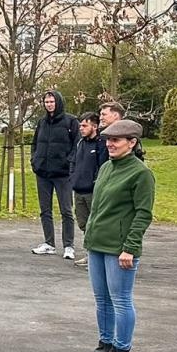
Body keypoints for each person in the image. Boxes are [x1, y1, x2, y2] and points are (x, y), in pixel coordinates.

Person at [75, 118, 155, 352]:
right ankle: (105, 345)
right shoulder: (107, 168)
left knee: (120, 299)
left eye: (116, 140)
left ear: (132, 143)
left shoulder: (141, 174)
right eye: (108, 139)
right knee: (102, 300)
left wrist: (130, 247)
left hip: (119, 247)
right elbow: (98, 208)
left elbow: (143, 214)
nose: (110, 144)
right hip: (97, 244)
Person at [31, 89, 78, 259]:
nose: (49, 105)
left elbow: (76, 145)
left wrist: (69, 163)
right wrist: (34, 160)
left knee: (66, 210)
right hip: (43, 172)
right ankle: (49, 243)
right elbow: (35, 143)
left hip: (62, 174)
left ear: (58, 102)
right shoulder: (42, 122)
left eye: (52, 101)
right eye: (47, 102)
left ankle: (68, 245)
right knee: (45, 210)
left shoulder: (71, 122)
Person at [69, 112, 103, 268]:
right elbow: (74, 162)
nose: (81, 128)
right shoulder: (80, 143)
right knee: (83, 223)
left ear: (94, 126)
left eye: (84, 125)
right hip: (78, 190)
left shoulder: (100, 144)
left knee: (95, 224)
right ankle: (90, 253)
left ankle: (96, 257)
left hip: (92, 191)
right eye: (80, 125)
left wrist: (95, 184)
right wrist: (73, 178)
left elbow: (102, 167)